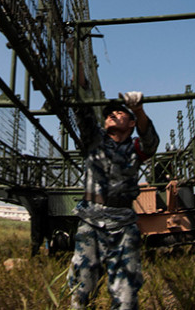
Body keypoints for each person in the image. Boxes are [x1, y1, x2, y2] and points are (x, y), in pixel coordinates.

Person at [67, 91, 159, 310]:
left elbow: (151, 142)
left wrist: (138, 109)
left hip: (123, 226)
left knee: (126, 297)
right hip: (90, 222)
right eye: (109, 114)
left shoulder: (136, 148)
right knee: (80, 292)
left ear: (131, 124)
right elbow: (83, 108)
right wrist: (76, 59)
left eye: (120, 113)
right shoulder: (94, 140)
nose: (112, 115)